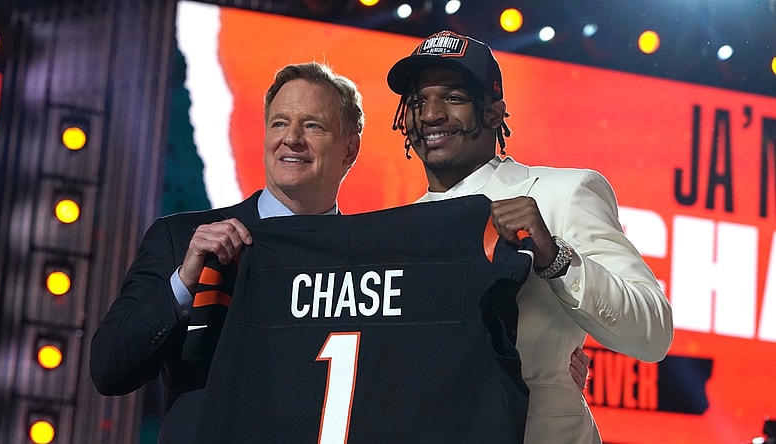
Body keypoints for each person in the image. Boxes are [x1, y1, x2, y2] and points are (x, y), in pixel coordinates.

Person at [386, 30, 673, 443]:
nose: (430, 114)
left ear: (493, 112)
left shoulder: (562, 193)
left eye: (453, 97)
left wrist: (555, 259)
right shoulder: (394, 230)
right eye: (417, 101)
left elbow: (654, 330)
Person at [89, 61, 363, 443]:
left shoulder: (368, 261)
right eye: (280, 123)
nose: (292, 139)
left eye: (313, 125)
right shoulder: (181, 239)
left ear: (350, 148)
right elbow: (109, 369)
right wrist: (184, 283)